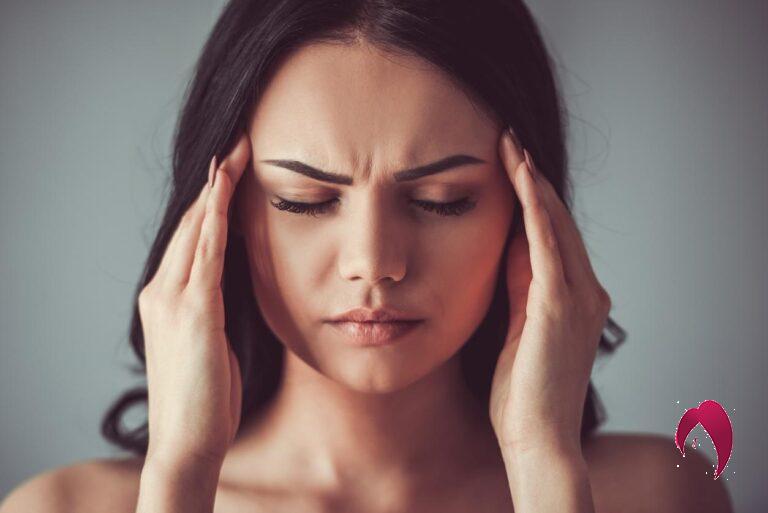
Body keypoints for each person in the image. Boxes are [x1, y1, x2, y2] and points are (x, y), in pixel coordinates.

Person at [0, 1, 733, 512]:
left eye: (442, 199)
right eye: (305, 200)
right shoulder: (61, 508)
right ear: (217, 214)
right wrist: (181, 480)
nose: (374, 262)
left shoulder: (666, 494)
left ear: (532, 212)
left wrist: (545, 469)